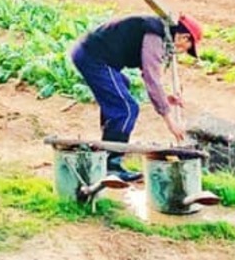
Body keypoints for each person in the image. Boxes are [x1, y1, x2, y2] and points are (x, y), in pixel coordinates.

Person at [69, 13, 202, 181]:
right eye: (186, 47)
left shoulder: (157, 33)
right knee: (127, 109)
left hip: (92, 55)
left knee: (122, 90)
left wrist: (165, 98)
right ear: (184, 37)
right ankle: (111, 166)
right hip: (94, 58)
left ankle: (105, 157)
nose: (182, 51)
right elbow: (151, 78)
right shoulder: (155, 35)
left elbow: (150, 76)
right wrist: (171, 123)